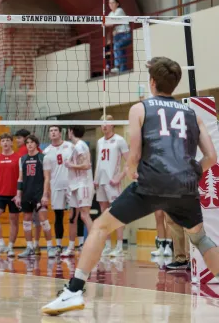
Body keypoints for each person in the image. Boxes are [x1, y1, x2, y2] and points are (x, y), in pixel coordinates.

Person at [42, 56, 219, 316]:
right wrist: (191, 172)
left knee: (101, 226)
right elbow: (212, 158)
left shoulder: (141, 108)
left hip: (152, 182)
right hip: (185, 185)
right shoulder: (192, 113)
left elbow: (134, 154)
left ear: (152, 82)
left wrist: (133, 171)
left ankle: (74, 291)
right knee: (199, 237)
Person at [94, 115, 129, 257]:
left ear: (113, 124)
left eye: (107, 122)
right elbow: (99, 162)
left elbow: (130, 161)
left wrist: (119, 177)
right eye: (102, 123)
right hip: (100, 182)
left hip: (112, 183)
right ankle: (107, 246)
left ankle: (119, 247)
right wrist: (96, 179)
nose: (104, 125)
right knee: (104, 214)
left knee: (117, 213)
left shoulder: (120, 140)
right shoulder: (99, 141)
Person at [15, 135, 54, 258]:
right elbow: (20, 178)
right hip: (27, 193)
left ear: (36, 144)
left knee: (44, 221)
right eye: (27, 143)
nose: (29, 145)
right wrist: (18, 195)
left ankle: (50, 247)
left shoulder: (43, 158)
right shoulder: (22, 159)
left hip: (39, 194)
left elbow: (47, 178)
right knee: (26, 221)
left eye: (32, 142)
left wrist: (45, 195)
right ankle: (29, 247)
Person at [42, 125, 75, 257]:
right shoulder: (46, 152)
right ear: (49, 135)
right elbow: (47, 175)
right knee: (58, 216)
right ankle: (59, 245)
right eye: (51, 131)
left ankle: (74, 245)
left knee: (74, 215)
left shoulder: (70, 146)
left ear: (61, 133)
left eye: (55, 130)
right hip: (56, 186)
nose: (53, 132)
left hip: (71, 185)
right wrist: (46, 191)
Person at [0, 133, 21, 257]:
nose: (5, 143)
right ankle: (1, 244)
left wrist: (19, 194)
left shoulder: (18, 158)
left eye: (8, 140)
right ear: (0, 143)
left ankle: (10, 247)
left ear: (12, 143)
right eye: (3, 141)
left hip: (14, 195)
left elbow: (21, 178)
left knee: (14, 221)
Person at [64, 125, 95, 249]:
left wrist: (70, 165)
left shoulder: (80, 145)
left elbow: (87, 165)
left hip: (84, 184)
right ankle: (71, 247)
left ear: (71, 131)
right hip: (75, 185)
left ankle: (95, 244)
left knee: (84, 215)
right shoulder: (76, 146)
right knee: (73, 216)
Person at [106, 0, 132, 74]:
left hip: (125, 34)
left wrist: (109, 24)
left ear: (117, 4)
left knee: (117, 46)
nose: (111, 4)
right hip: (117, 36)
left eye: (113, 2)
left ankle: (117, 66)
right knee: (121, 51)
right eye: (109, 3)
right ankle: (123, 69)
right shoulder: (110, 13)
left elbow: (111, 22)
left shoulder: (119, 10)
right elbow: (103, 23)